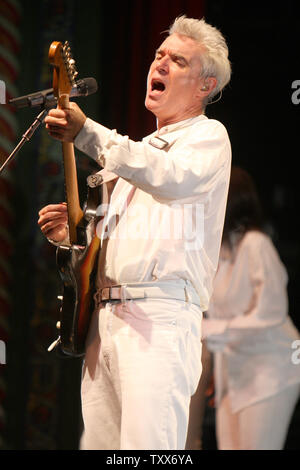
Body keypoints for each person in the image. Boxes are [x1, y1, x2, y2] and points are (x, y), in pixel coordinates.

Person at [38, 16, 232, 450]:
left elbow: (169, 178)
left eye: (176, 60)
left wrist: (87, 133)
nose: (159, 64)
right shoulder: (138, 154)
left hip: (158, 319)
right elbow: (108, 244)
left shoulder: (207, 136)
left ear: (205, 85)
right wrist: (71, 237)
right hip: (103, 322)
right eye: (158, 55)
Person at [202, 166, 300, 450]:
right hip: (236, 371)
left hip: (274, 369)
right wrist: (218, 376)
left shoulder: (256, 245)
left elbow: (271, 314)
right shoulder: (218, 250)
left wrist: (213, 329)